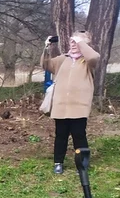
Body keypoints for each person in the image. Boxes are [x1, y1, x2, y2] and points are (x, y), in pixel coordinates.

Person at [42, 31, 101, 174]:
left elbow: (94, 56)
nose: (73, 44)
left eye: (77, 42)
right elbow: (46, 65)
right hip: (61, 106)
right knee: (60, 135)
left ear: (85, 44)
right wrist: (46, 48)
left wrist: (79, 41)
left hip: (79, 106)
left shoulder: (88, 61)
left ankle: (82, 164)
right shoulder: (64, 59)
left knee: (79, 135)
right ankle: (58, 163)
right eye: (72, 41)